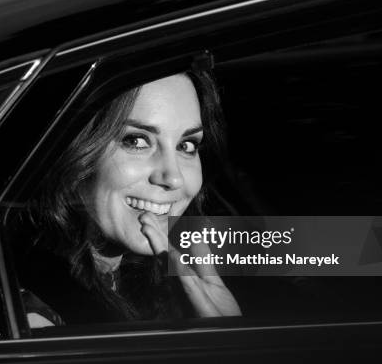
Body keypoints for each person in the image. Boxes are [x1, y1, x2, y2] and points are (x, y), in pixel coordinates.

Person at [13, 69, 241, 328]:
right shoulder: (33, 313)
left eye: (186, 145)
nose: (173, 178)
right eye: (136, 140)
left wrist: (225, 334)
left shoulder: (161, 281)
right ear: (76, 153)